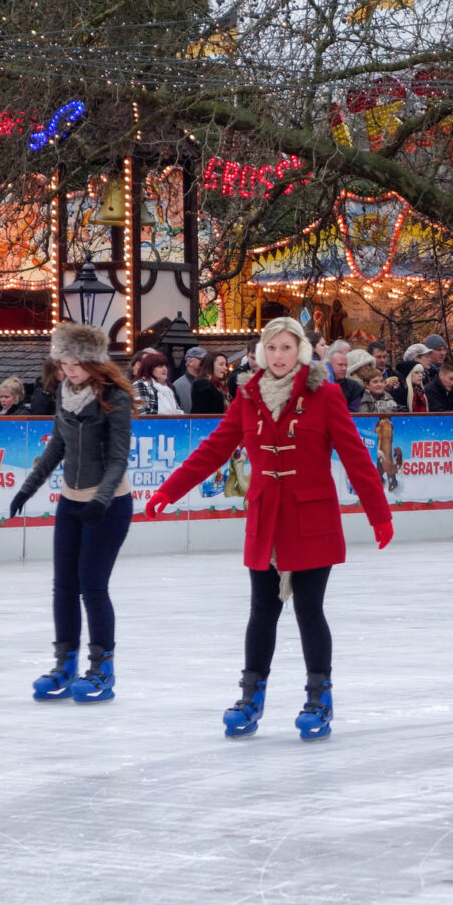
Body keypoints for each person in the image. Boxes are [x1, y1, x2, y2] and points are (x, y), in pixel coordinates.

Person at [145, 317, 394, 741]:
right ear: (263, 353)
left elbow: (355, 456)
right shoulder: (247, 396)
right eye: (272, 348)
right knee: (262, 610)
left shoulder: (326, 395)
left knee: (309, 610)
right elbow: (212, 451)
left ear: (299, 350)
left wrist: (379, 514)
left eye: (287, 347)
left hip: (311, 519)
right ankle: (250, 696)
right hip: (267, 520)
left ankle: (319, 697)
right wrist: (169, 491)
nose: (279, 355)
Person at [8, 324, 136, 703]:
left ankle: (102, 669)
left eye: (77, 362)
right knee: (63, 585)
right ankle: (66, 663)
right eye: (64, 362)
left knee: (92, 585)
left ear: (93, 360)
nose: (70, 369)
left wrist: (102, 499)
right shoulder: (64, 394)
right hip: (71, 502)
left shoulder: (114, 398)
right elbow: (56, 448)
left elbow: (117, 459)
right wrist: (27, 488)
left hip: (109, 506)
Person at [132, 351, 182, 416]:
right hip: (152, 425)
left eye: (166, 366)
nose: (165, 369)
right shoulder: (141, 384)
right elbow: (142, 414)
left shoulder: (168, 387)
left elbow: (178, 411)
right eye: (160, 366)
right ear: (150, 368)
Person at [172, 346, 206, 413]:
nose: (205, 362)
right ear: (190, 361)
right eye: (201, 359)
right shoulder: (177, 385)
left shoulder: (209, 383)